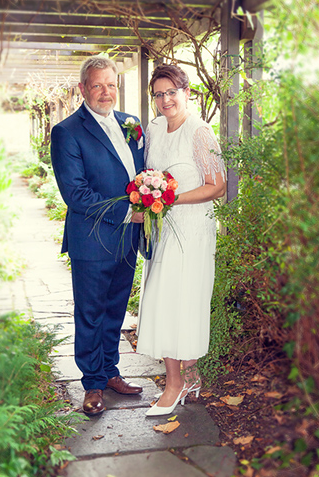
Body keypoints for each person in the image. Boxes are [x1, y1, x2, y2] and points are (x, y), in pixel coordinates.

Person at [51, 56, 145, 416]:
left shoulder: (131, 124)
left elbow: (141, 170)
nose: (106, 92)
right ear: (82, 89)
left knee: (115, 311)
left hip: (127, 240)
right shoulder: (67, 131)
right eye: (97, 85)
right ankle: (91, 383)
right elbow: (75, 193)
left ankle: (110, 372)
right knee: (90, 313)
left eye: (111, 84)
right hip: (91, 240)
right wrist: (128, 213)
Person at [136, 64, 227, 416]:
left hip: (192, 229)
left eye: (171, 91)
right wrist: (147, 201)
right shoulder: (156, 128)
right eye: (159, 93)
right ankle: (188, 376)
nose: (165, 99)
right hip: (163, 229)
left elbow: (217, 186)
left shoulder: (200, 132)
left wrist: (171, 198)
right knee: (163, 299)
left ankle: (175, 384)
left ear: (186, 92)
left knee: (183, 301)